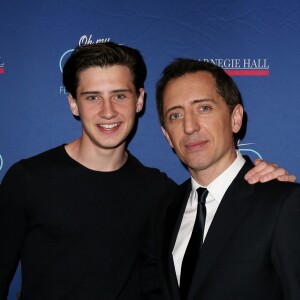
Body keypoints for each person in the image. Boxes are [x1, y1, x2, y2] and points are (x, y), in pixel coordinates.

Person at [0, 43, 294, 300]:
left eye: (119, 96)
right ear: (73, 104)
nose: (108, 111)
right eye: (92, 97)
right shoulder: (28, 180)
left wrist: (272, 186)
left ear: (138, 100)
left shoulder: (161, 194)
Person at [141, 59, 300, 300]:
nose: (189, 127)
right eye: (175, 115)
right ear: (167, 136)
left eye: (203, 108)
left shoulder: (282, 204)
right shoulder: (164, 212)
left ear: (235, 118)